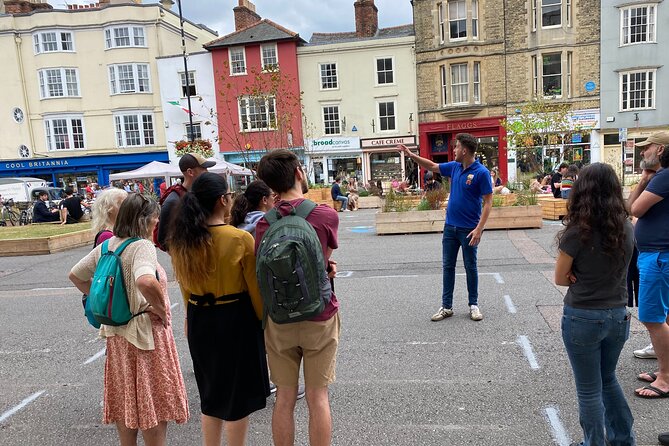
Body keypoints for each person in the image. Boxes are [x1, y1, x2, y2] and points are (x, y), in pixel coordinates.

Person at [68, 194, 189, 446]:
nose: (158, 220)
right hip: (145, 337)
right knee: (152, 402)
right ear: (143, 220)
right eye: (155, 216)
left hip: (118, 336)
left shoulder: (108, 244)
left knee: (127, 402)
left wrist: (107, 301)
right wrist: (160, 307)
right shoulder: (141, 246)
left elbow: (76, 275)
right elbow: (145, 280)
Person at [168, 172, 269, 446]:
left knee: (210, 394)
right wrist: (264, 323)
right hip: (235, 319)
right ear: (223, 200)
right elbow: (255, 291)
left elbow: (185, 287)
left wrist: (190, 317)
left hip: (200, 317)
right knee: (238, 398)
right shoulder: (239, 239)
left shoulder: (182, 240)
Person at [255, 149, 340, 446]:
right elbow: (323, 262)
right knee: (318, 397)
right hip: (319, 314)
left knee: (285, 398)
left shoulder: (264, 223)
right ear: (299, 174)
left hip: (279, 318)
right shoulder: (326, 215)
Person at [554, 163, 635, 446]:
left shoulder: (578, 232)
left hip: (583, 315)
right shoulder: (626, 227)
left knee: (588, 389)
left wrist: (578, 274)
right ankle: (623, 439)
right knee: (608, 378)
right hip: (617, 315)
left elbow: (561, 278)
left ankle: (594, 443)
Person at [399, 133, 492, 322]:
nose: (454, 150)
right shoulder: (455, 167)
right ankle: (447, 307)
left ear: (465, 150)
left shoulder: (481, 173)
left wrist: (479, 229)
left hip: (469, 230)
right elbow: (432, 166)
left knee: (470, 267)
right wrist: (411, 155)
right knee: (448, 267)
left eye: (456, 147)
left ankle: (473, 305)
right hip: (450, 228)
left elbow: (489, 203)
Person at [627, 131, 669, 400]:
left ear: (661, 150)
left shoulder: (664, 178)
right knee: (664, 317)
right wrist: (645, 178)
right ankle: (664, 369)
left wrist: (644, 181)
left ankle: (665, 378)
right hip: (659, 255)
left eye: (647, 148)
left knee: (652, 318)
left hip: (658, 256)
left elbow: (634, 209)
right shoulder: (662, 177)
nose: (642, 152)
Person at [156, 153, 214, 251]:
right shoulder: (173, 201)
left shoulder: (199, 194)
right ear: (190, 172)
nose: (207, 172)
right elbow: (162, 239)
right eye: (204, 169)